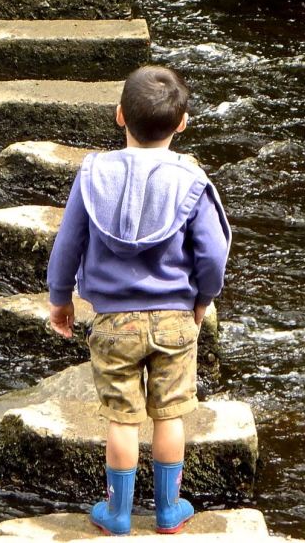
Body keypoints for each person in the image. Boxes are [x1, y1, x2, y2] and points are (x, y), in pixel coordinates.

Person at [47, 65, 231, 536]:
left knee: (122, 421)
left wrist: (60, 298)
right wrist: (203, 299)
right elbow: (212, 252)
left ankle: (118, 513)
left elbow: (67, 243)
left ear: (119, 116)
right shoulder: (191, 180)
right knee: (170, 415)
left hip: (112, 324)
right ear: (183, 123)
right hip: (174, 320)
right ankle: (169, 511)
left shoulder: (93, 174)